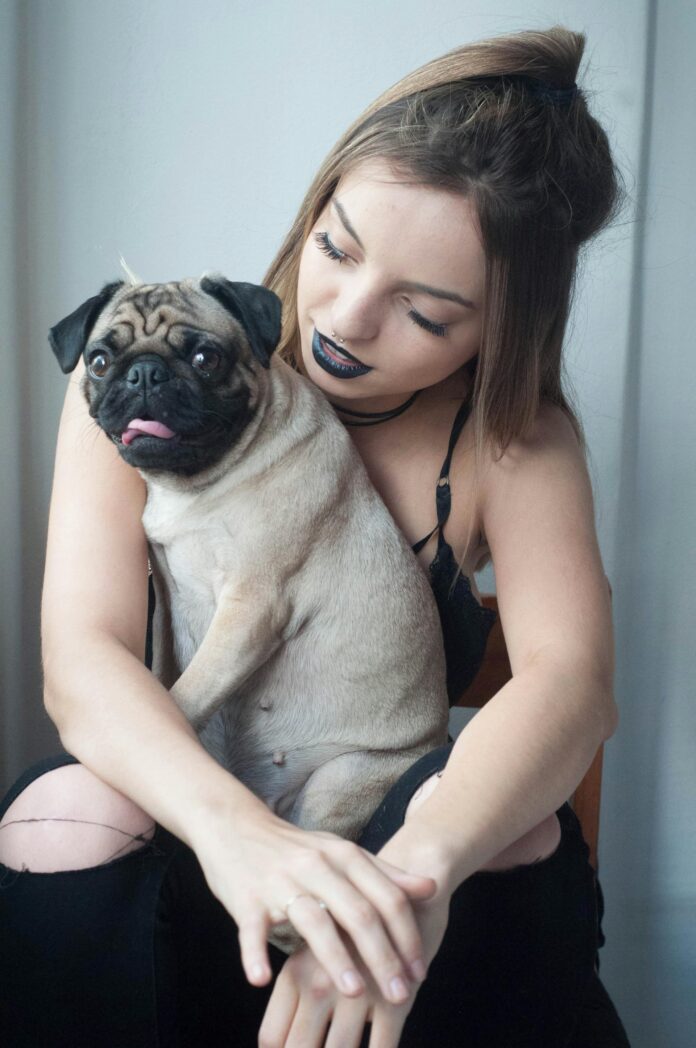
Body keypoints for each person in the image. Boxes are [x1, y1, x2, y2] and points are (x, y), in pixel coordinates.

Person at [0, 25, 630, 1048]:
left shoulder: (513, 438)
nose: (346, 312)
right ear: (317, 202)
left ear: (500, 329)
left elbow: (572, 683)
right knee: (64, 816)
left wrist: (413, 871)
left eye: (426, 314)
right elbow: (81, 659)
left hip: (389, 828)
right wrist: (235, 831)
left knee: (517, 828)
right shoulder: (149, 364)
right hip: (194, 833)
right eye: (336, 246)